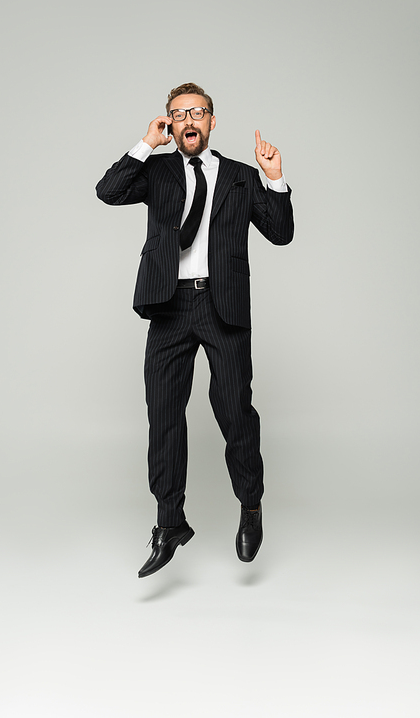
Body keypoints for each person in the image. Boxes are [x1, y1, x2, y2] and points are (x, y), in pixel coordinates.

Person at [96, 83, 294, 577]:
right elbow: (108, 191)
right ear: (168, 121)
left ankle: (251, 504)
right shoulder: (157, 171)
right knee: (163, 414)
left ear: (211, 120)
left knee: (234, 412)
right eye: (178, 114)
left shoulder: (243, 178)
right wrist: (146, 144)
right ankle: (170, 522)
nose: (189, 120)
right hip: (169, 303)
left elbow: (282, 233)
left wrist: (275, 180)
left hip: (222, 304)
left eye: (198, 113)